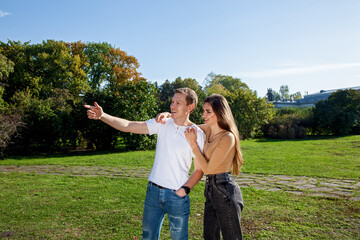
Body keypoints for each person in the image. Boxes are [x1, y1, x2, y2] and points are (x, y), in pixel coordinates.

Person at [84, 88, 206, 240]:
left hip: (177, 197)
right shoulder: (162, 123)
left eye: (178, 103)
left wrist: (183, 191)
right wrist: (103, 116)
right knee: (148, 238)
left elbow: (199, 170)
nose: (172, 106)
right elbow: (128, 125)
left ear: (190, 107)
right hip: (153, 193)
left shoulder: (197, 133)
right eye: (172, 102)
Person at [157, 94, 244, 240]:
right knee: (209, 236)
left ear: (220, 112)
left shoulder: (227, 137)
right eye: (204, 110)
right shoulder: (208, 130)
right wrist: (169, 115)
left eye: (208, 111)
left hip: (225, 191)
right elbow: (186, 123)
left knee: (232, 237)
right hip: (210, 189)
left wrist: (193, 144)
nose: (203, 115)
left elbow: (208, 169)